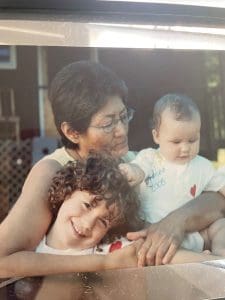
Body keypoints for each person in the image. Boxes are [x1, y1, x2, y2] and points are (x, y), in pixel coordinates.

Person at [0, 62, 225, 278]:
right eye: (108, 124)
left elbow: (217, 198)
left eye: (123, 116)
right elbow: (3, 260)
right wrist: (104, 264)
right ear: (72, 132)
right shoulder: (53, 171)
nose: (121, 131)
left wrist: (175, 222)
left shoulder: (133, 161)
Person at [120, 93, 225, 262]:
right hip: (155, 233)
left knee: (221, 226)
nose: (185, 149)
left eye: (192, 140)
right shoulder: (151, 158)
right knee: (144, 244)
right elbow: (139, 170)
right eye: (176, 142)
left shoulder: (202, 166)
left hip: (195, 232)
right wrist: (132, 172)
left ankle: (220, 257)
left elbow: (221, 186)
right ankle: (201, 260)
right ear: (157, 136)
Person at [36, 152, 142, 256]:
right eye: (87, 205)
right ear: (68, 192)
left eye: (103, 222)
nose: (87, 224)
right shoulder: (27, 244)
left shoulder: (111, 254)